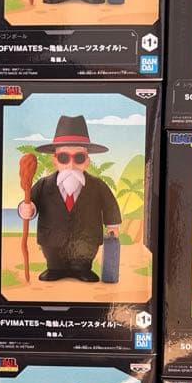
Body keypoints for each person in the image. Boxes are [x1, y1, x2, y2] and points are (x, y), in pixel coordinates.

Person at [17, 114, 121, 282]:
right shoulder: (44, 185)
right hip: (52, 239)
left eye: (78, 158)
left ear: (87, 160)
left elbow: (110, 205)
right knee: (54, 259)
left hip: (86, 240)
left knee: (83, 257)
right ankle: (55, 269)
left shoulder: (97, 186)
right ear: (55, 160)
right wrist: (27, 209)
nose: (71, 165)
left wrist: (112, 225)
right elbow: (31, 204)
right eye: (64, 158)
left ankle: (83, 269)